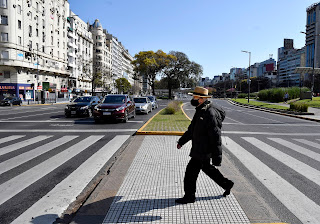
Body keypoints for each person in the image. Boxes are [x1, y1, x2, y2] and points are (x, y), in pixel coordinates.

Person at [176, 86, 234, 204]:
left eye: (195, 97)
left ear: (202, 99)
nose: (193, 99)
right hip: (200, 148)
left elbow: (216, 136)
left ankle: (189, 196)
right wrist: (182, 141)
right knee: (208, 169)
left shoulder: (209, 113)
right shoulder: (200, 109)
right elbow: (192, 130)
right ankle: (227, 184)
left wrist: (217, 158)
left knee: (190, 173)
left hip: (203, 150)